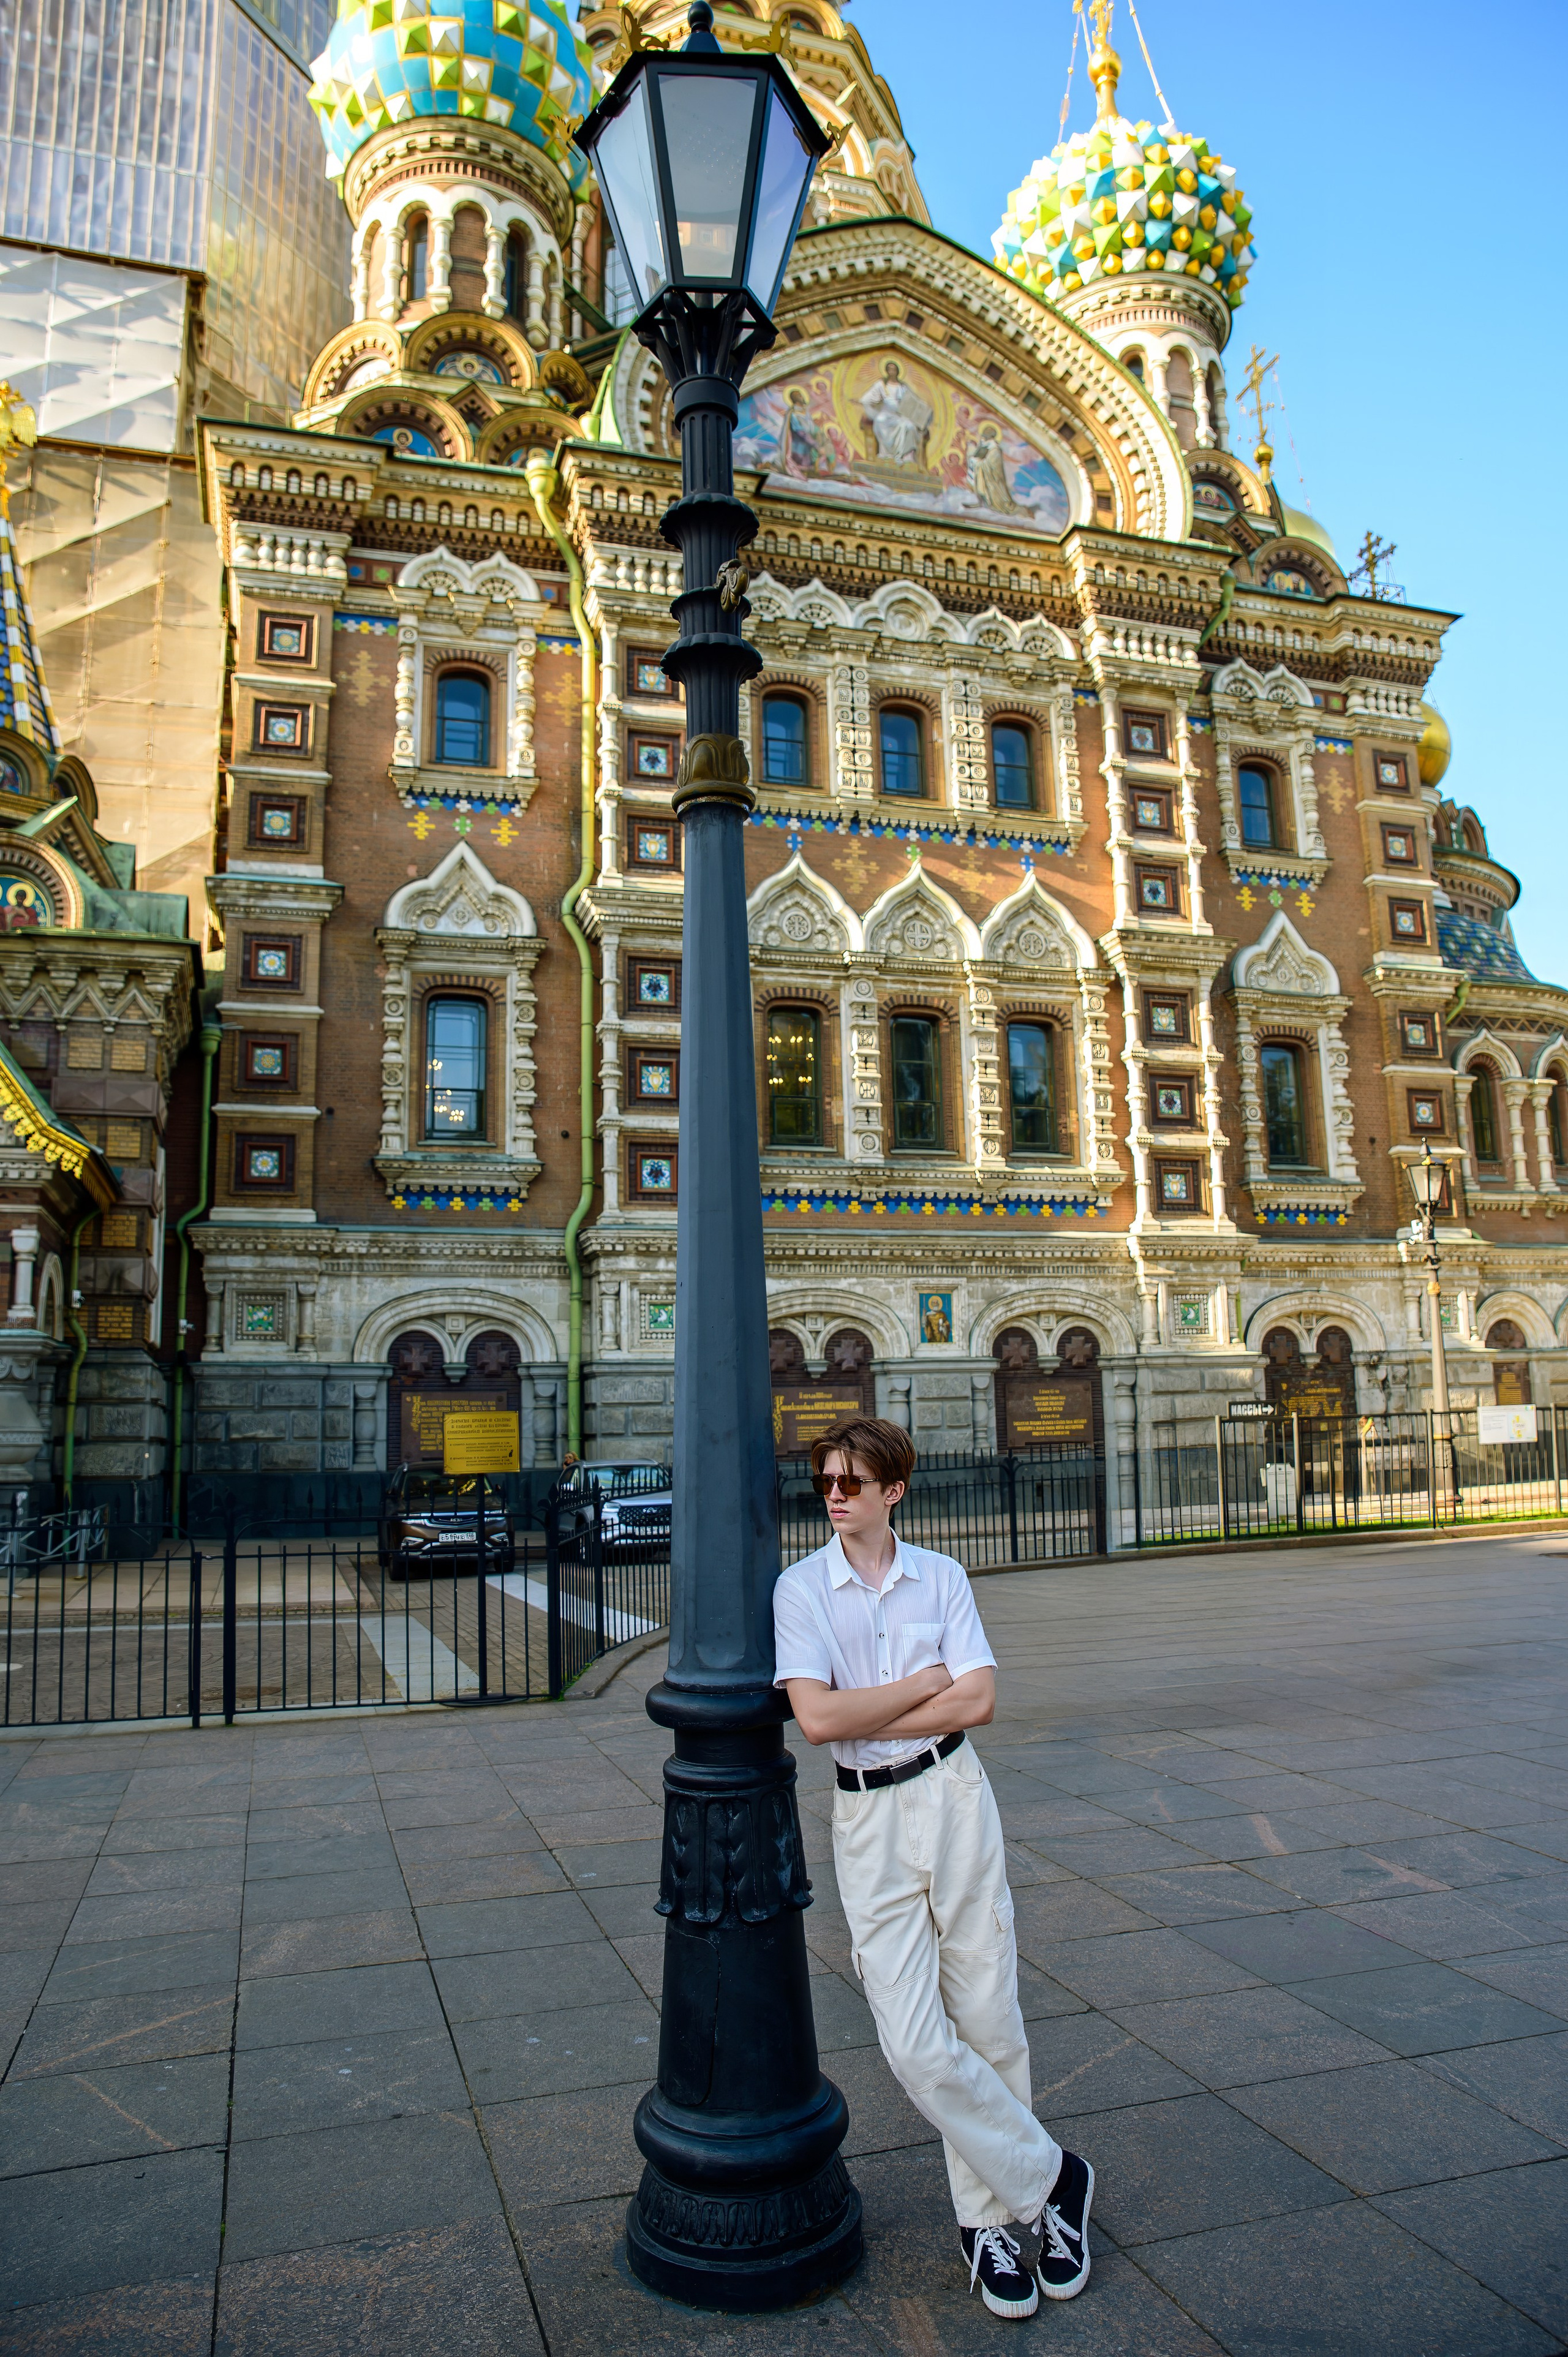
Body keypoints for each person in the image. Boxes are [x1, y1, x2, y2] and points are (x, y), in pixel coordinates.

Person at [773, 1416, 1095, 2321]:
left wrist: (873, 1704)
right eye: (826, 1481)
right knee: (915, 2041)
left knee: (989, 2016)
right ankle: (1054, 2179)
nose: (835, 1495)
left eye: (852, 1482)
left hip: (954, 1797)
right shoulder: (800, 1591)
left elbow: (982, 1699)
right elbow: (821, 1724)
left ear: (893, 1491)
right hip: (868, 1818)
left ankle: (991, 2226)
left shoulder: (942, 1577)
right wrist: (922, 1684)